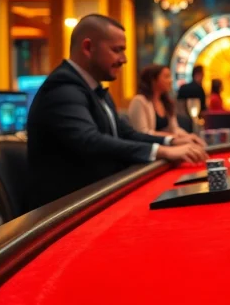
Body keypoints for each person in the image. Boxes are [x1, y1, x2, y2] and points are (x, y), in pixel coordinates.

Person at [27, 14, 208, 209]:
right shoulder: (63, 88)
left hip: (95, 196)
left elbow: (125, 133)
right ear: (87, 48)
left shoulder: (93, 88)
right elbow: (89, 140)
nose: (124, 59)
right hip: (64, 212)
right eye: (117, 50)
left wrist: (171, 141)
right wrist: (162, 151)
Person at [128, 64, 204, 143]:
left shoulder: (165, 102)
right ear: (153, 80)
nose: (170, 80)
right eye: (166, 77)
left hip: (167, 145)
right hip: (149, 150)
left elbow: (175, 129)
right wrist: (172, 138)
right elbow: (143, 134)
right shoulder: (139, 101)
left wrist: (190, 137)